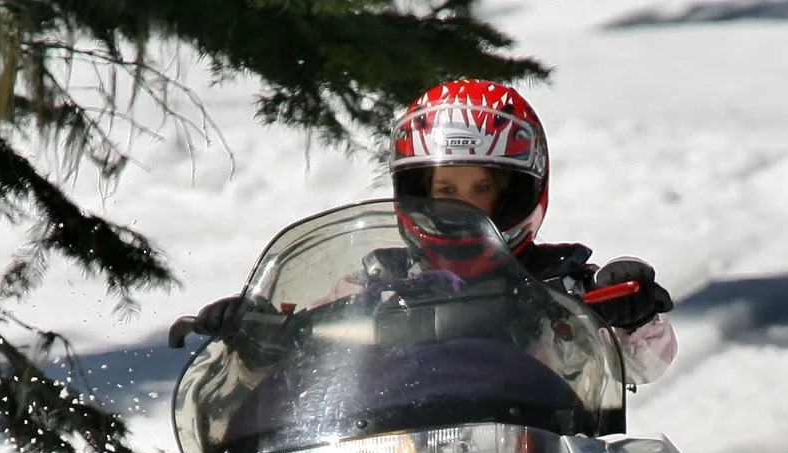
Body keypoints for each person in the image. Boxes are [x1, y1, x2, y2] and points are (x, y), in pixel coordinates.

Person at [175, 80, 679, 388]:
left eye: (481, 189)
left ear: (513, 195)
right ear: (417, 191)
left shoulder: (559, 285)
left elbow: (645, 364)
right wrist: (257, 335)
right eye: (445, 189)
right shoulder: (375, 283)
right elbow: (300, 368)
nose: (461, 204)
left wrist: (630, 313)